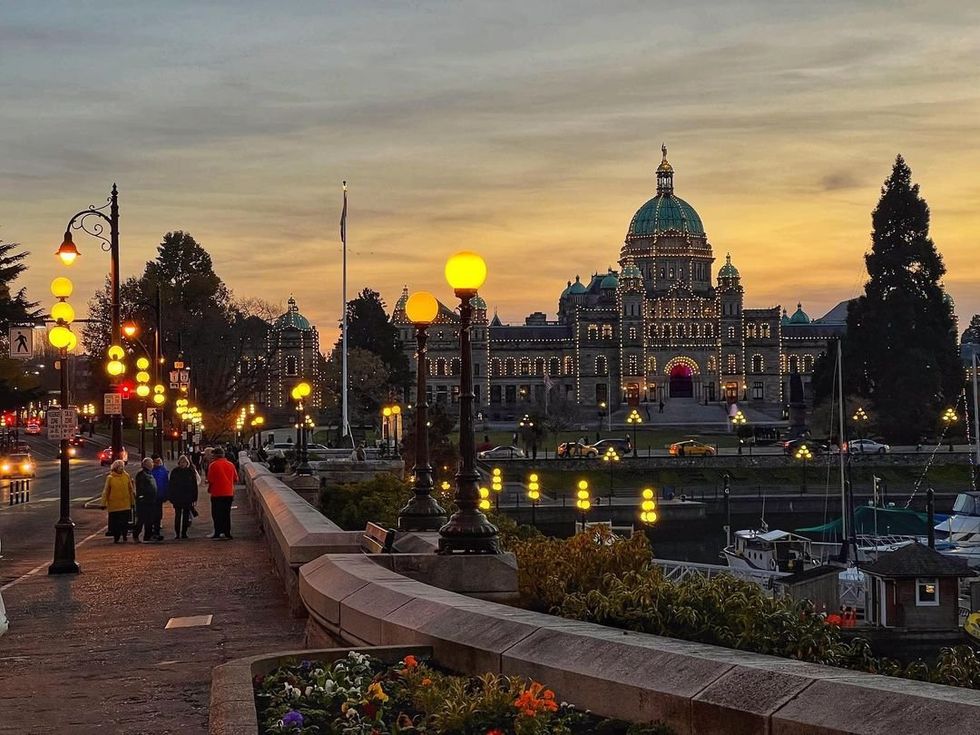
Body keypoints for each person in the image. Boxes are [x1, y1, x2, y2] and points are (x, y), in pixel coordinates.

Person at [207, 447, 238, 539]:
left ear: (215, 455)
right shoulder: (231, 465)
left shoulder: (213, 465)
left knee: (216, 514)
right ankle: (227, 532)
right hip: (228, 493)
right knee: (226, 513)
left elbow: (210, 479)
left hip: (217, 493)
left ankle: (217, 532)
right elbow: (236, 479)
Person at [100, 460, 135, 544]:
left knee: (125, 522)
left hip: (125, 504)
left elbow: (131, 490)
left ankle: (124, 535)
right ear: (115, 468)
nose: (121, 468)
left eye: (122, 466)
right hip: (114, 505)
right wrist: (103, 503)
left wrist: (132, 502)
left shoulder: (126, 476)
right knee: (116, 523)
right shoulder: (110, 478)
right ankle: (117, 537)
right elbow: (106, 491)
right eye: (120, 466)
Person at [168, 455, 199, 539]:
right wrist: (171, 496)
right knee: (178, 515)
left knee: (185, 516)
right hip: (178, 497)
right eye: (181, 462)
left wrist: (195, 497)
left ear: (187, 463)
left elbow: (194, 486)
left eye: (184, 462)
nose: (183, 464)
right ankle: (177, 533)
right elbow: (171, 485)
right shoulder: (175, 472)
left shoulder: (190, 472)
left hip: (187, 497)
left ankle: (184, 533)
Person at [133, 458, 159, 543]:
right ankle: (136, 534)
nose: (153, 464)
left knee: (149, 519)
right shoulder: (142, 474)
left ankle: (147, 536)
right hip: (144, 501)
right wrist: (142, 497)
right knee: (142, 519)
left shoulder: (148, 473)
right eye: (151, 463)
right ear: (146, 464)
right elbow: (141, 488)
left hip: (150, 500)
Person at [151, 456, 169, 542]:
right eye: (156, 461)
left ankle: (156, 530)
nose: (158, 463)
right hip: (154, 496)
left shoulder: (163, 470)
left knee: (158, 513)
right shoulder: (153, 471)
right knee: (154, 514)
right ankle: (154, 531)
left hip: (160, 495)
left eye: (159, 461)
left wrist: (166, 494)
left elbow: (166, 483)